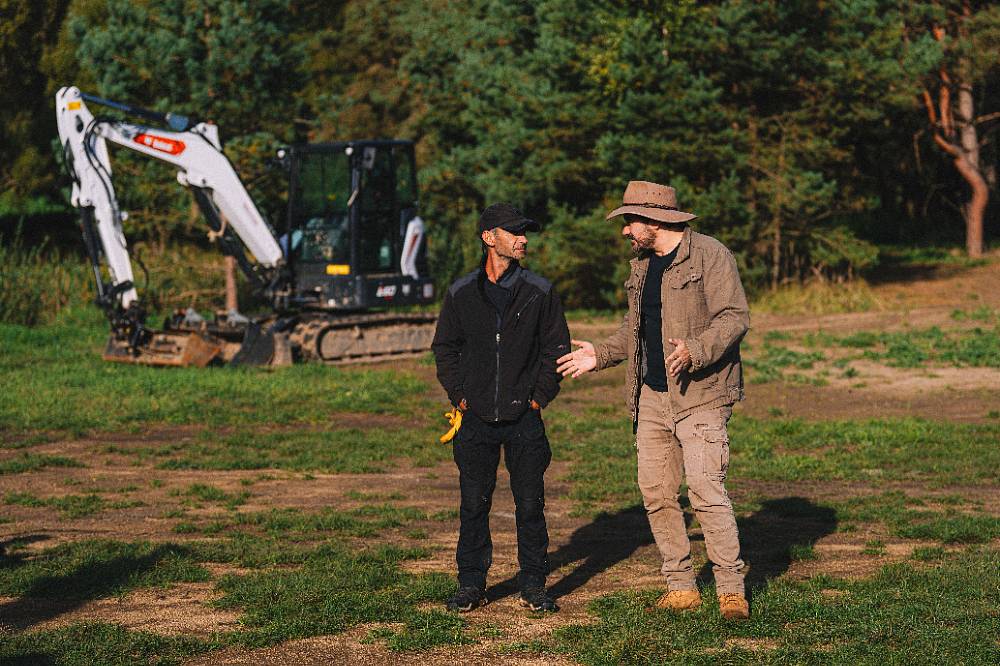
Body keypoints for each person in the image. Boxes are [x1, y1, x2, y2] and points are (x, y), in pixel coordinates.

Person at [555, 181, 751, 620]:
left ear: (655, 219)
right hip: (652, 400)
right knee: (658, 494)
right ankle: (681, 586)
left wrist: (696, 350)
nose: (626, 230)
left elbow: (735, 316)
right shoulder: (643, 266)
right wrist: (598, 355)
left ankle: (731, 590)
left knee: (705, 491)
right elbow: (635, 330)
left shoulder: (710, 255)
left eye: (630, 220)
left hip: (702, 395)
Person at [432, 203, 570, 613]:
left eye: (525, 232)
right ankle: (471, 585)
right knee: (474, 504)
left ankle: (533, 586)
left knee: (530, 506)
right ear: (489, 237)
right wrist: (459, 394)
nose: (523, 239)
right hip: (474, 420)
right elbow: (445, 349)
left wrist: (538, 397)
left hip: (524, 418)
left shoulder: (540, 291)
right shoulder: (460, 293)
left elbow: (556, 349)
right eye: (514, 232)